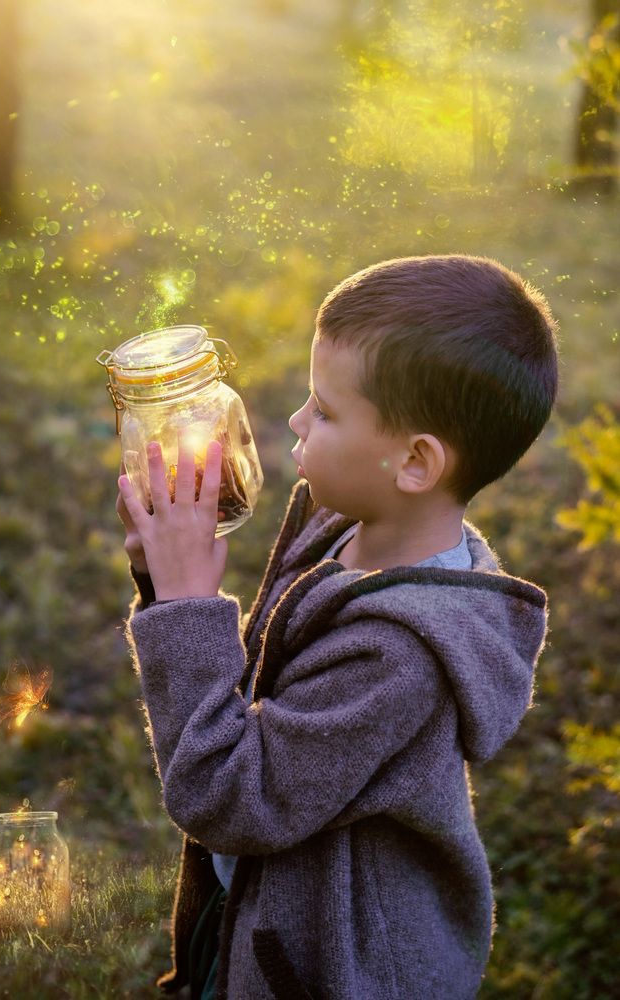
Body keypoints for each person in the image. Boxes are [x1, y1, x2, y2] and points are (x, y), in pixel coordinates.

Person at [116, 254, 559, 999]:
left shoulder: (401, 654)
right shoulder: (342, 528)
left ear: (413, 462)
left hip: (327, 969)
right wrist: (164, 584)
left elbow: (230, 798)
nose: (295, 420)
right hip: (261, 917)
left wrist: (187, 611)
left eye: (323, 410)